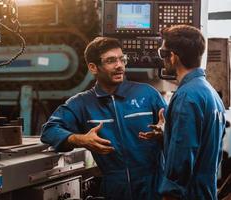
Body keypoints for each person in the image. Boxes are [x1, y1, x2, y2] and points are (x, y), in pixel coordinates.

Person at [40, 37, 167, 200]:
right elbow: (49, 131)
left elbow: (178, 132)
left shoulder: (147, 94)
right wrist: (79, 139)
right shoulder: (82, 103)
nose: (119, 65)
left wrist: (165, 132)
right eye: (111, 61)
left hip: (154, 188)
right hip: (114, 189)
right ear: (93, 67)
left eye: (122, 59)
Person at [140, 25, 226, 200]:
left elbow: (183, 157)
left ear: (173, 57)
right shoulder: (210, 93)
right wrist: (168, 134)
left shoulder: (186, 97)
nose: (163, 59)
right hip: (206, 192)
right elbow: (208, 148)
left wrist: (170, 194)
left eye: (163, 54)